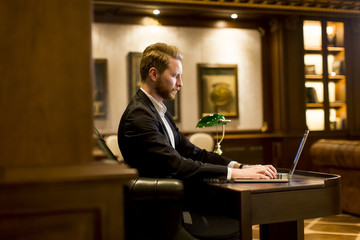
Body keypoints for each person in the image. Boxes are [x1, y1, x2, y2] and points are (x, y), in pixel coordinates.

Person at [118, 42, 277, 239]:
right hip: (162, 215)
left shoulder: (157, 111)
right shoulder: (139, 116)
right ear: (153, 74)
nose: (180, 83)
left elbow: (193, 152)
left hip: (178, 203)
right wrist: (234, 174)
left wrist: (241, 167)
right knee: (238, 218)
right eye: (175, 76)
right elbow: (177, 165)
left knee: (240, 213)